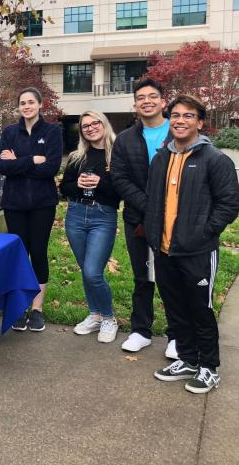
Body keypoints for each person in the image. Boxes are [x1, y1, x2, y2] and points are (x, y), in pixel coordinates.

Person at [146, 95, 239, 394]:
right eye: (175, 115)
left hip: (197, 251)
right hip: (164, 249)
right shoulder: (163, 157)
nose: (180, 120)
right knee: (175, 308)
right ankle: (187, 359)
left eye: (188, 116)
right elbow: (154, 200)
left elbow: (229, 203)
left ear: (199, 122)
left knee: (200, 309)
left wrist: (204, 232)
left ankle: (209, 367)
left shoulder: (215, 159)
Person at [111, 78, 176, 356]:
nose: (146, 101)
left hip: (175, 220)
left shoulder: (178, 133)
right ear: (135, 105)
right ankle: (141, 330)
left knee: (173, 277)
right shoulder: (126, 138)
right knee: (142, 276)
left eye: (152, 96)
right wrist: (148, 206)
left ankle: (177, 334)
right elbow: (119, 177)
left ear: (163, 101)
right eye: (140, 97)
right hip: (137, 219)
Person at [0, 87, 62, 332]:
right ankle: (20, 307)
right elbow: (3, 167)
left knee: (38, 252)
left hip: (42, 204)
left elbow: (52, 167)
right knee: (20, 254)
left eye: (31, 102)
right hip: (14, 204)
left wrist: (18, 162)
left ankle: (37, 309)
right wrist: (33, 159)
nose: (26, 106)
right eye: (22, 103)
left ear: (40, 104)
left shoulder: (52, 131)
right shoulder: (10, 132)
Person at [60, 111, 120, 343]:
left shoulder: (117, 154)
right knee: (86, 269)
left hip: (103, 216)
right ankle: (94, 315)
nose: (91, 128)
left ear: (104, 124)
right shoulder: (77, 156)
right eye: (85, 126)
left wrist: (100, 183)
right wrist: (76, 184)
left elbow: (121, 191)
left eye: (95, 123)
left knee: (93, 271)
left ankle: (108, 317)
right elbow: (64, 188)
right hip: (75, 214)